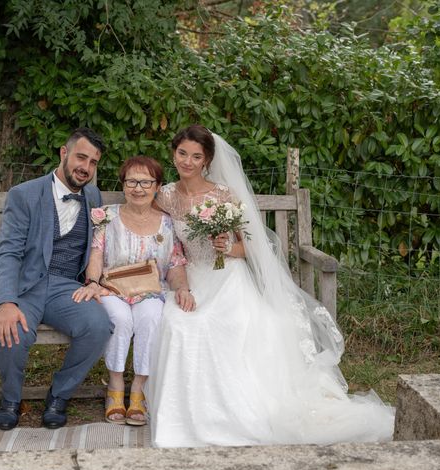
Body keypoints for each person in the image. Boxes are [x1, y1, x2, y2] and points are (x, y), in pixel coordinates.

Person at [146, 125, 395, 447]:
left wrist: (227, 248)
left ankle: (234, 412)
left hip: (227, 279)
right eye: (182, 154)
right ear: (173, 153)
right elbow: (158, 238)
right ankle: (182, 416)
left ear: (207, 160)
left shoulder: (223, 196)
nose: (188, 162)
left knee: (223, 324)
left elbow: (251, 247)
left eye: (196, 156)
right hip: (189, 278)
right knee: (177, 322)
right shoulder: (164, 196)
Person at [0, 127, 114, 431]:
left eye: (93, 162)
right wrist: (5, 301)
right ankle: (11, 399)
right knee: (12, 331)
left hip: (66, 287)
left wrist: (95, 282)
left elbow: (98, 247)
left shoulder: (93, 196)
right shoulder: (24, 194)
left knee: (99, 326)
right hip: (25, 285)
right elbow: (8, 254)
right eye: (81, 157)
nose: (86, 167)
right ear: (64, 153)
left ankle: (59, 394)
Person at [73, 156, 194, 426]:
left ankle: (139, 387)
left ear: (157, 186)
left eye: (145, 182)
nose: (138, 188)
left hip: (151, 290)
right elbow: (96, 253)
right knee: (120, 319)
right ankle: (115, 384)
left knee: (151, 317)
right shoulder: (108, 216)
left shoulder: (167, 223)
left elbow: (175, 263)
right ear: (124, 185)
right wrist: (93, 282)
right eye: (131, 182)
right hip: (112, 289)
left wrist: (183, 288)